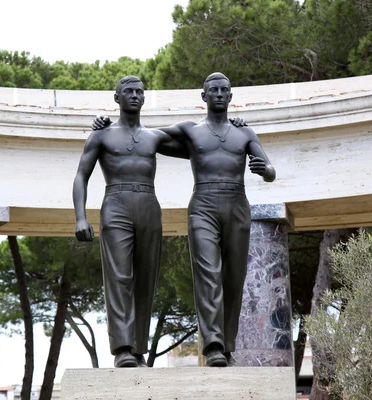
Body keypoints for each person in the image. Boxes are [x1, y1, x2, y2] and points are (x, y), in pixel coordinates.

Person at [93, 72, 275, 367]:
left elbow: (269, 168)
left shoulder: (245, 133)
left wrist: (264, 169)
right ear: (203, 97)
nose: (218, 93)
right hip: (202, 203)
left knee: (233, 278)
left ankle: (226, 345)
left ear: (231, 96)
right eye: (213, 89)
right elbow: (144, 137)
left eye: (224, 90)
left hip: (237, 203)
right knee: (208, 273)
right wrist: (105, 127)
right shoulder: (190, 131)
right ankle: (213, 345)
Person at [73, 76, 189, 367]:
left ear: (144, 98)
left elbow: (199, 146)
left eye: (139, 92)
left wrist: (231, 125)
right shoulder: (101, 135)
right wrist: (80, 217)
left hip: (149, 205)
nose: (135, 96)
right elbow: (80, 176)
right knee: (120, 277)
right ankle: (123, 348)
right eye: (128, 92)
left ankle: (138, 348)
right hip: (116, 204)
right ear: (117, 99)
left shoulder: (154, 137)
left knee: (145, 280)